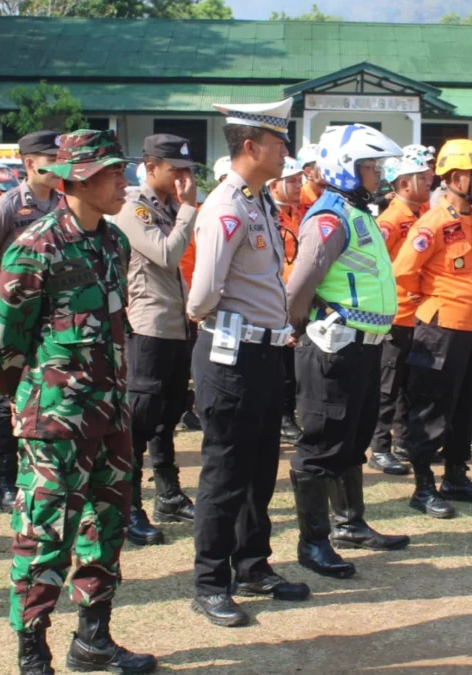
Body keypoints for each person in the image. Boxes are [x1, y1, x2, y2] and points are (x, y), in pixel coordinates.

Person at [0, 129, 155, 674]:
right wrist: (26, 400)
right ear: (78, 178)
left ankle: (93, 639)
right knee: (45, 536)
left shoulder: (113, 241)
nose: (123, 183)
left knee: (106, 528)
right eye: (113, 174)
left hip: (110, 414)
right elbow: (6, 339)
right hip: (54, 421)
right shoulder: (35, 245)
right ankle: (32, 651)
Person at [186, 98, 310, 627]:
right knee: (225, 472)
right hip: (230, 354)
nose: (286, 153)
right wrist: (236, 325)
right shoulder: (226, 207)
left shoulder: (259, 202)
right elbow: (201, 297)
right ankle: (210, 582)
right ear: (251, 146)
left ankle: (253, 564)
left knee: (260, 467)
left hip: (263, 351)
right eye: (280, 143)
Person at [283, 124, 411, 580]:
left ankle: (350, 523)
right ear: (347, 168)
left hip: (364, 348)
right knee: (320, 443)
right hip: (333, 348)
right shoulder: (329, 217)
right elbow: (300, 286)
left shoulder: (359, 212)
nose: (378, 174)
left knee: (352, 438)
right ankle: (313, 542)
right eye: (371, 166)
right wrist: (298, 330)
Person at [393, 139, 472, 519]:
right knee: (432, 408)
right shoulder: (433, 222)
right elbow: (403, 272)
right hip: (442, 330)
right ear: (457, 178)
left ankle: (456, 475)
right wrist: (434, 301)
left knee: (468, 405)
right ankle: (423, 487)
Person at [111, 133, 200, 549]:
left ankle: (168, 494)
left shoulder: (166, 207)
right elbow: (166, 254)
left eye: (187, 170)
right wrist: (188, 210)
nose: (183, 177)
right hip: (147, 326)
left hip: (174, 324)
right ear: (150, 168)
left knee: (169, 413)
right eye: (175, 170)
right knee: (141, 418)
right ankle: (127, 507)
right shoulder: (136, 208)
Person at [0, 130, 63, 512]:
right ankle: (5, 481)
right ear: (29, 163)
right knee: (6, 396)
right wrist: (2, 302)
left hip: (54, 321)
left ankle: (40, 475)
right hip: (16, 321)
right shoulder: (7, 207)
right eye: (50, 159)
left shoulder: (64, 203)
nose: (58, 167)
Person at [369, 155, 432, 476]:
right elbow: (376, 266)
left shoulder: (424, 215)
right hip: (395, 317)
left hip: (418, 315)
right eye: (423, 175)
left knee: (410, 384)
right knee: (388, 385)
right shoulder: (390, 221)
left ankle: (403, 440)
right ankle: (380, 447)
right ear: (405, 182)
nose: (431, 178)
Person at [273, 157, 307, 445]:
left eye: (300, 180)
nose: (300, 186)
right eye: (293, 180)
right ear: (275, 186)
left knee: (295, 367)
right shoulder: (271, 216)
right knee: (282, 367)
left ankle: (289, 414)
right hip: (277, 301)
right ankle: (282, 418)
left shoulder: (298, 214)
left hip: (298, 300)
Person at [298, 143, 326, 213]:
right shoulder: (299, 199)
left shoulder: (325, 196)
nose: (326, 172)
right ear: (308, 171)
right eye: (321, 167)